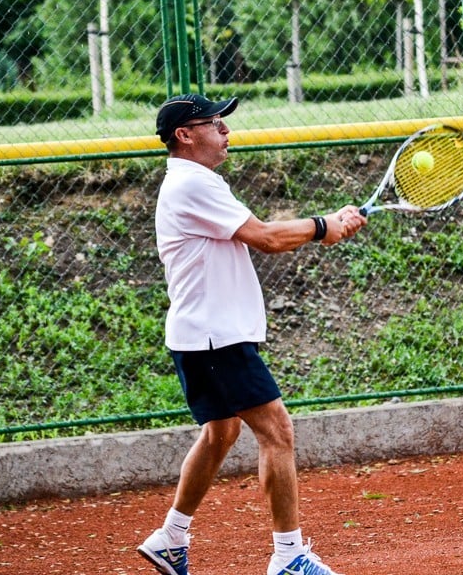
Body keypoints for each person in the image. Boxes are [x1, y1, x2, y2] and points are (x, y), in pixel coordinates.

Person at [137, 93, 366, 575]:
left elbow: (264, 234)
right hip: (215, 338)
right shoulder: (192, 184)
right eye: (214, 122)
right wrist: (326, 225)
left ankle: (171, 537)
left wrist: (328, 224)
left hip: (198, 336)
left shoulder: (192, 182)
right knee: (277, 432)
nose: (225, 130)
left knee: (221, 432)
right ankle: (289, 557)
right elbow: (266, 237)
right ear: (185, 134)